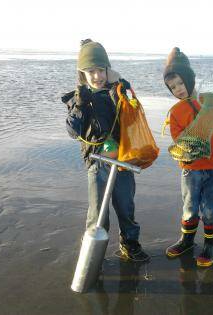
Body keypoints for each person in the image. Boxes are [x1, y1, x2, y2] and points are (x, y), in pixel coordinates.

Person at [62, 39, 149, 262]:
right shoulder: (78, 98)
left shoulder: (118, 92)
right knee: (98, 214)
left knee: (126, 208)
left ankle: (130, 244)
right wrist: (80, 105)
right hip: (97, 163)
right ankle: (94, 254)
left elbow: (135, 117)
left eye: (100, 70)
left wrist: (127, 92)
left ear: (107, 70)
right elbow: (73, 132)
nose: (96, 76)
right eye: (90, 71)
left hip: (123, 162)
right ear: (82, 73)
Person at [163, 47, 213, 267]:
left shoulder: (211, 101)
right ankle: (186, 240)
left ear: (190, 80)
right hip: (191, 168)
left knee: (210, 208)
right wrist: (189, 151)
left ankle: (209, 244)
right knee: (189, 206)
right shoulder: (176, 112)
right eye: (172, 87)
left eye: (180, 83)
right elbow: (179, 140)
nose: (177, 90)